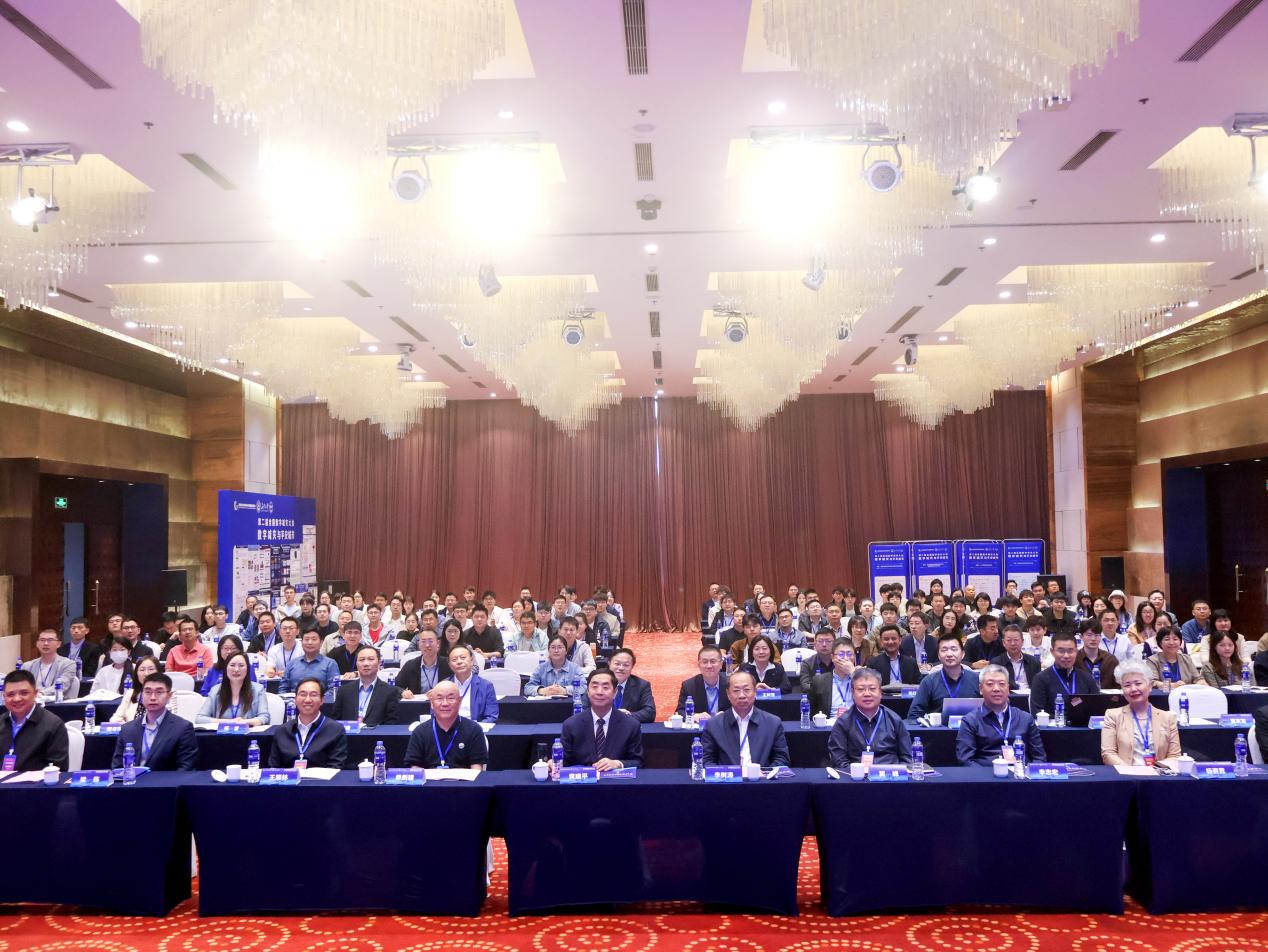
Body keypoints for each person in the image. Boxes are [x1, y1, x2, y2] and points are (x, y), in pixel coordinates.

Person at [955, 665, 1045, 766]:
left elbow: (1039, 757)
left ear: (1008, 688)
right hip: (985, 773)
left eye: (1001, 684)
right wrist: (985, 775)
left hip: (1021, 773)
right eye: (990, 684)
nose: (996, 689)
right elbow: (965, 760)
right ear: (980, 689)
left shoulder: (1025, 718)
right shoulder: (970, 721)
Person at [1102, 660, 1183, 769]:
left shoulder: (1168, 717)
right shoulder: (1113, 716)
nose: (1133, 689)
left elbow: (1174, 756)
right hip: (1126, 775)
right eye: (1127, 685)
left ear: (1150, 686)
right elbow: (1108, 754)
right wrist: (1132, 772)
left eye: (1138, 683)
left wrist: (1154, 770)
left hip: (1159, 775)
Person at [700, 671, 789, 768]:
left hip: (761, 777)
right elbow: (706, 760)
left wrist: (765, 773)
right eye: (736, 691)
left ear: (755, 692)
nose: (741, 695)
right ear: (728, 694)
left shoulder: (773, 723)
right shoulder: (713, 725)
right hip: (728, 777)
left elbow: (782, 759)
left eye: (747, 690)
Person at [826, 667, 912, 767]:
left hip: (889, 774)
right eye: (861, 689)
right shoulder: (843, 722)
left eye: (872, 689)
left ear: (880, 692)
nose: (867, 694)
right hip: (855, 775)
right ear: (852, 692)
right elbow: (839, 761)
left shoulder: (894, 720)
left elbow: (907, 758)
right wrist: (857, 773)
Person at [111, 674, 197, 771]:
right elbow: (117, 768)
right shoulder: (127, 729)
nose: (152, 697)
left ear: (169, 696)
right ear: (141, 695)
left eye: (159, 692)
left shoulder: (183, 728)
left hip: (166, 781)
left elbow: (186, 769)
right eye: (148, 692)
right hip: (133, 780)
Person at [561, 669, 644, 770]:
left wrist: (618, 764)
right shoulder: (571, 724)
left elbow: (638, 762)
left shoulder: (631, 725)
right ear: (588, 692)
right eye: (594, 687)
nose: (599, 692)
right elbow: (564, 760)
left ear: (615, 692)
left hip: (616, 780)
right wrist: (554, 762)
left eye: (605, 687)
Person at [403, 681, 489, 770]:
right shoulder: (420, 732)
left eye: (450, 698)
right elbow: (415, 768)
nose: (445, 703)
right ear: (432, 703)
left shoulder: (474, 730)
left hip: (464, 779)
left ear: (459, 702)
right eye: (439, 698)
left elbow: (476, 769)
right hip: (430, 779)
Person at [269, 677, 348, 769]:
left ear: (322, 700)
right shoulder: (282, 731)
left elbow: (336, 767)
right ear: (295, 699)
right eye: (303, 694)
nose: (307, 700)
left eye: (313, 695)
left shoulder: (335, 730)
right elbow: (273, 768)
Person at [1, 670, 69, 772]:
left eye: (24, 693)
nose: (17, 699)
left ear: (35, 694)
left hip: (35, 782)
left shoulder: (53, 725)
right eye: (10, 694)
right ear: (4, 697)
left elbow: (58, 770)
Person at [908, 632, 980, 721]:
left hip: (971, 728)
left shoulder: (977, 679)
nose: (949, 654)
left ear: (962, 654)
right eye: (944, 650)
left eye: (954, 649)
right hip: (938, 729)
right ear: (938, 656)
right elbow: (914, 714)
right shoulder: (929, 681)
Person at [1029, 631, 1099, 717]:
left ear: (1076, 651)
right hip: (1053, 725)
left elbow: (1097, 709)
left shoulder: (1087, 678)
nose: (1066, 656)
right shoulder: (1041, 679)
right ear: (1052, 652)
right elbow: (1037, 713)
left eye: (1070, 651)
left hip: (1083, 724)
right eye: (1061, 651)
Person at [332, 645, 400, 726]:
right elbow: (335, 722)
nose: (366, 664)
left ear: (379, 663)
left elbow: (391, 724)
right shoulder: (344, 691)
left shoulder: (389, 691)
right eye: (361, 660)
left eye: (371, 659)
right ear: (356, 664)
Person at [196, 652, 270, 725]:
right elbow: (200, 718)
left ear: (247, 669)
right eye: (232, 665)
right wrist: (229, 722)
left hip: (249, 732)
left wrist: (245, 722)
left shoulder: (258, 690)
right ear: (226, 668)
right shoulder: (215, 690)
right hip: (222, 732)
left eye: (241, 665)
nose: (236, 669)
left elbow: (264, 717)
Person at [600, 648, 657, 722]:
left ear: (632, 667)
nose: (621, 668)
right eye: (617, 664)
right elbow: (586, 708)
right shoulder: (597, 683)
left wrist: (626, 715)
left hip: (628, 726)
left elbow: (650, 712)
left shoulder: (641, 685)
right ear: (609, 663)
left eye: (626, 665)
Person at [282, 630, 340, 701]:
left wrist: (315, 700)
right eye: (306, 639)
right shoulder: (291, 664)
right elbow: (283, 690)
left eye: (314, 639)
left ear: (321, 643)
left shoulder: (330, 664)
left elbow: (333, 690)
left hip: (322, 705)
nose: (310, 642)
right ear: (301, 642)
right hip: (294, 704)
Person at [675, 645, 730, 721]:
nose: (709, 666)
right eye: (705, 662)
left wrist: (727, 715)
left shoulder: (730, 683)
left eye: (713, 661)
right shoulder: (689, 686)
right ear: (699, 665)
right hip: (700, 727)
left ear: (721, 664)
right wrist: (694, 716)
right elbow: (679, 712)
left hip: (724, 726)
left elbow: (741, 708)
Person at [447, 645, 499, 722]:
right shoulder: (443, 686)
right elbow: (435, 714)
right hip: (450, 727)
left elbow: (491, 716)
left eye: (463, 658)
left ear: (471, 661)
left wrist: (475, 728)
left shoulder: (486, 686)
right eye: (454, 660)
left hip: (476, 727)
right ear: (449, 665)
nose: (459, 662)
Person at [808, 639, 857, 717]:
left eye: (849, 654)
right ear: (832, 657)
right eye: (841, 654)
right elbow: (810, 712)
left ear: (854, 657)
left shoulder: (862, 678)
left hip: (855, 721)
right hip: (829, 722)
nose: (846, 658)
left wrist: (853, 673)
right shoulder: (819, 681)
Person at [398, 629, 451, 699]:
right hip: (417, 704)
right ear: (419, 644)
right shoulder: (410, 665)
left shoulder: (448, 664)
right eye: (423, 641)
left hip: (443, 702)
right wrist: (402, 692)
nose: (427, 645)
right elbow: (396, 686)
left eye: (430, 641)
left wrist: (440, 691)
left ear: (438, 643)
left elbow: (456, 685)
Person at [29, 629, 81, 700]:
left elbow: (63, 684)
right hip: (31, 702)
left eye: (50, 640)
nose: (46, 643)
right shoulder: (28, 666)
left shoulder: (68, 664)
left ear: (58, 644)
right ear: (37, 644)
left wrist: (41, 694)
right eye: (42, 640)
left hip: (55, 703)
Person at [111, 654, 162, 722]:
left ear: (159, 672)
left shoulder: (168, 694)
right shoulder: (130, 693)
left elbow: (172, 722)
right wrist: (126, 725)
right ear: (136, 674)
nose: (146, 673)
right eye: (142, 670)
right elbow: (115, 718)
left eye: (151, 669)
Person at [1074, 619, 1119, 689]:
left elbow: (1118, 686)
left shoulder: (1110, 660)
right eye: (1089, 635)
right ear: (1081, 637)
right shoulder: (1075, 658)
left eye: (1097, 635)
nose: (1093, 639)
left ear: (1101, 636)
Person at [996, 625, 1041, 690]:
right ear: (1003, 642)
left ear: (1022, 641)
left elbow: (1038, 686)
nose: (1013, 643)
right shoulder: (997, 663)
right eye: (1009, 640)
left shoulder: (1034, 662)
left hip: (1030, 695)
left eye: (1016, 640)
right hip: (1008, 695)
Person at [59, 616, 102, 681]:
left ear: (87, 631)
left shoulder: (93, 649)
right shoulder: (61, 649)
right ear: (70, 630)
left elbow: (90, 672)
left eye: (80, 628)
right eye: (73, 628)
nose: (76, 631)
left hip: (82, 681)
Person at [798, 629, 836, 694]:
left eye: (828, 641)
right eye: (820, 641)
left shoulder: (840, 662)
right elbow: (805, 686)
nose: (824, 645)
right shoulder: (807, 663)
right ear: (814, 643)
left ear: (835, 643)